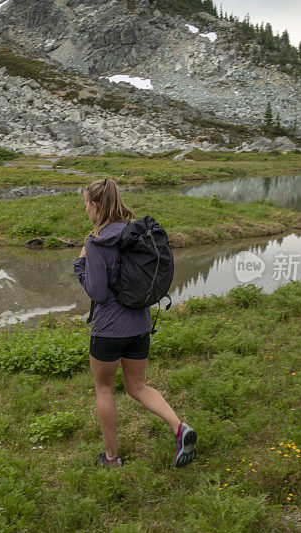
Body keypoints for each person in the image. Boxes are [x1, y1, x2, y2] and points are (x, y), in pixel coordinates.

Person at [73, 178, 197, 468]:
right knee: (138, 386)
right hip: (140, 325)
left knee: (104, 389)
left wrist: (80, 266)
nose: (86, 212)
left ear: (94, 205)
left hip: (108, 330)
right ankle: (180, 428)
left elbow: (98, 293)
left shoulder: (97, 241)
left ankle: (112, 457)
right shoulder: (135, 233)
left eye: (86, 205)